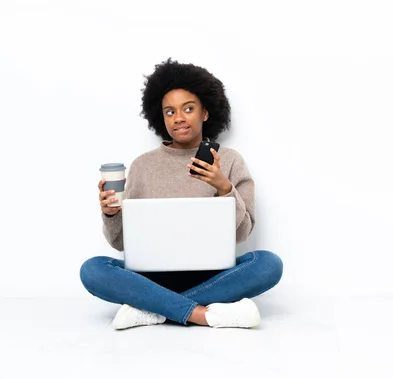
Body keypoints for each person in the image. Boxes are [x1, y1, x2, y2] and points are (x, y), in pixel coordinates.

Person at [80, 58, 283, 330]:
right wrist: (111, 213)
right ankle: (201, 313)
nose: (178, 118)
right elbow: (120, 243)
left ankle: (153, 309)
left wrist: (224, 188)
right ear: (160, 117)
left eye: (188, 108)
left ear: (205, 113)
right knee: (92, 269)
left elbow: (242, 234)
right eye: (169, 112)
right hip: (152, 277)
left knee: (269, 264)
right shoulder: (143, 165)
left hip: (212, 276)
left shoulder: (230, 161)